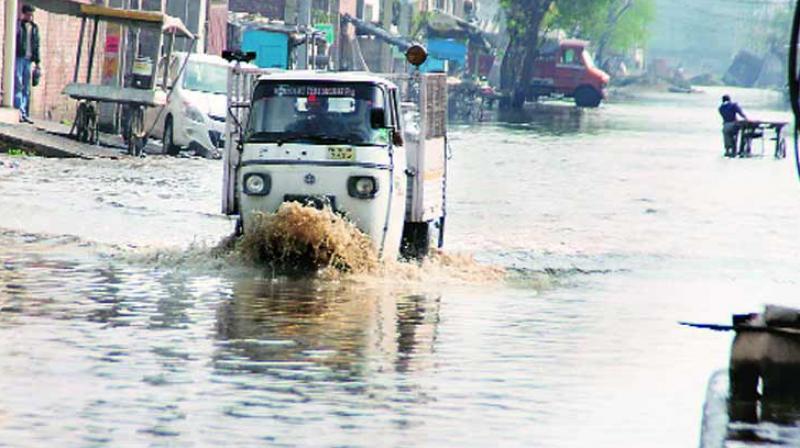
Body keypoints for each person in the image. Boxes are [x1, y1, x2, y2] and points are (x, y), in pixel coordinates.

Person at [15, 4, 40, 124]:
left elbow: (37, 45)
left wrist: (37, 62)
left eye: (31, 14)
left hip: (29, 60)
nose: (30, 16)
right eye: (28, 14)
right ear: (24, 14)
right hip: (19, 58)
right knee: (18, 84)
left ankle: (23, 112)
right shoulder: (18, 25)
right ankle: (18, 111)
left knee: (26, 87)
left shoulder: (34, 28)